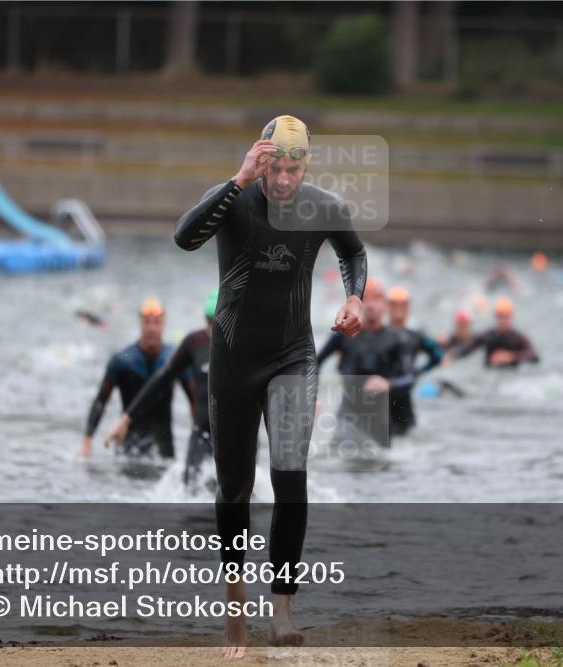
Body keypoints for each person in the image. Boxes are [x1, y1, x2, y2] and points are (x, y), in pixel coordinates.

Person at [174, 114, 367, 657]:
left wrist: (356, 298)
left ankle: (281, 609)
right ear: (260, 158)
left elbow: (353, 253)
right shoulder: (233, 199)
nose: (283, 179)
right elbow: (184, 237)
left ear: (307, 163)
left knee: (290, 474)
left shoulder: (324, 206)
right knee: (234, 487)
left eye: (294, 166)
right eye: (275, 166)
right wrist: (237, 180)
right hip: (233, 361)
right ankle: (235, 603)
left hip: (292, 357)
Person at [105, 290, 217, 487]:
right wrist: (125, 419)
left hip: (236, 436)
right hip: (202, 435)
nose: (211, 330)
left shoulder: (246, 345)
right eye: (208, 322)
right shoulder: (195, 343)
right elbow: (162, 380)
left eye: (216, 322)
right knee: (190, 493)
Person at [80, 298, 188, 460]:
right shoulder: (122, 360)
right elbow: (101, 401)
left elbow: (195, 399)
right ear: (140, 324)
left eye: (156, 323)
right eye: (147, 322)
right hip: (128, 447)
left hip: (163, 449)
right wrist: (87, 441)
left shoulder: (174, 359)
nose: (151, 328)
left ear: (163, 324)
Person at [317, 278, 414, 445]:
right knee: (344, 454)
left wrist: (388, 383)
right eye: (366, 299)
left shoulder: (398, 339)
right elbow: (315, 362)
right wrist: (312, 397)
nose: (371, 305)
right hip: (348, 412)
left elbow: (409, 378)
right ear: (359, 305)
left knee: (382, 463)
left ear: (385, 305)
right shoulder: (343, 333)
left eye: (376, 299)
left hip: (381, 414)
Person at [386, 286, 443, 435]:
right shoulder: (378, 334)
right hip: (381, 398)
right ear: (387, 307)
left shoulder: (416, 337)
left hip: (405, 398)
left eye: (402, 305)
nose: (398, 309)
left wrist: (418, 372)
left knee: (406, 438)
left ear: (408, 308)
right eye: (394, 305)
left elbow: (438, 356)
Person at [451, 297, 540, 368]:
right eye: (500, 316)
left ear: (511, 317)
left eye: (505, 316)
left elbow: (534, 356)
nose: (502, 320)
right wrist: (452, 356)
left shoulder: (518, 337)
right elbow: (468, 347)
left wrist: (511, 357)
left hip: (512, 378)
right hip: (489, 376)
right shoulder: (488, 335)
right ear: (496, 317)